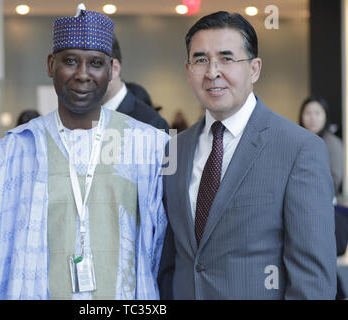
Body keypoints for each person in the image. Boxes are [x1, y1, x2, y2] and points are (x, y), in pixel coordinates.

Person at [0, 4, 168, 300]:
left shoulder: (149, 145)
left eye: (96, 63)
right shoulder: (15, 150)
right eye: (71, 61)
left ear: (111, 70)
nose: (82, 74)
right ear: (51, 65)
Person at [158, 11, 336, 299]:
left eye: (227, 59)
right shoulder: (175, 148)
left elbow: (313, 282)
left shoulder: (298, 149)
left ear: (254, 69)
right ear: (188, 70)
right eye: (201, 60)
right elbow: (172, 258)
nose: (212, 71)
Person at [101, 34, 170, 131]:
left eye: (94, 63)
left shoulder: (154, 124)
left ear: (114, 69)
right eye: (72, 62)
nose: (82, 74)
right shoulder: (78, 119)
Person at [299, 96, 344, 194]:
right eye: (308, 113)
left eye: (317, 113)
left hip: (322, 198)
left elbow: (334, 181)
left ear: (325, 116)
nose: (313, 118)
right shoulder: (297, 140)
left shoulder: (332, 143)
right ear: (301, 116)